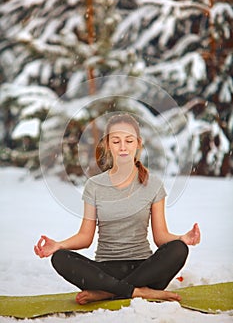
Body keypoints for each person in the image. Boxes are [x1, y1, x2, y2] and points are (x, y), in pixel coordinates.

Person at [34, 113, 200, 305]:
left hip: (145, 269)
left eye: (129, 141)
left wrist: (182, 238)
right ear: (107, 144)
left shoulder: (153, 185)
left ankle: (107, 293)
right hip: (105, 271)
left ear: (138, 143)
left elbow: (161, 237)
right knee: (60, 258)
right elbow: (85, 237)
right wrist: (58, 245)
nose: (123, 147)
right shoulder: (94, 186)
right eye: (116, 141)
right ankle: (137, 291)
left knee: (179, 249)